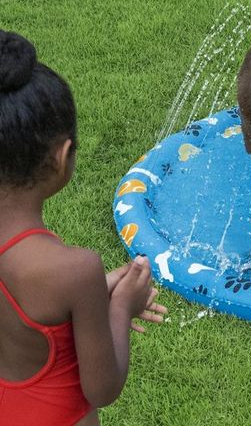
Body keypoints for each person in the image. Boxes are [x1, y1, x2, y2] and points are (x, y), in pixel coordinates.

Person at [0, 30, 166, 425]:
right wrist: (122, 307)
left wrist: (97, 292)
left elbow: (24, 315)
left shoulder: (67, 278)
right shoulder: (74, 269)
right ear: (62, 157)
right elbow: (102, 388)